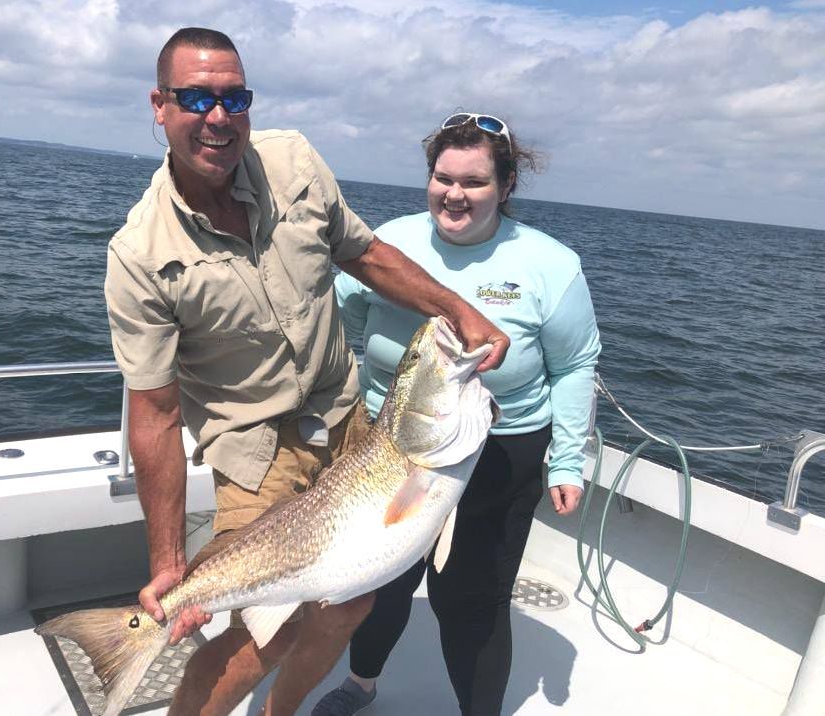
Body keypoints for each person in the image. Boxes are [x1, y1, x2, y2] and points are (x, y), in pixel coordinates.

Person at [104, 29, 511, 716]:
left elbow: (366, 254)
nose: (217, 116)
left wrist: (457, 310)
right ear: (159, 105)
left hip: (348, 422)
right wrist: (168, 560)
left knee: (348, 604)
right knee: (263, 635)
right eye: (197, 97)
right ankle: (136, 640)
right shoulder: (140, 253)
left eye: (234, 97)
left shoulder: (292, 161)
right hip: (253, 448)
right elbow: (156, 414)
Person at [313, 113, 601, 716]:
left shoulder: (550, 265)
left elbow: (574, 365)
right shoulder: (390, 243)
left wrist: (568, 460)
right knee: (379, 579)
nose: (455, 194)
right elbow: (348, 323)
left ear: (506, 185)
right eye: (443, 178)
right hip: (386, 445)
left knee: (471, 598)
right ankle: (360, 684)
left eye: (474, 182)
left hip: (499, 449)